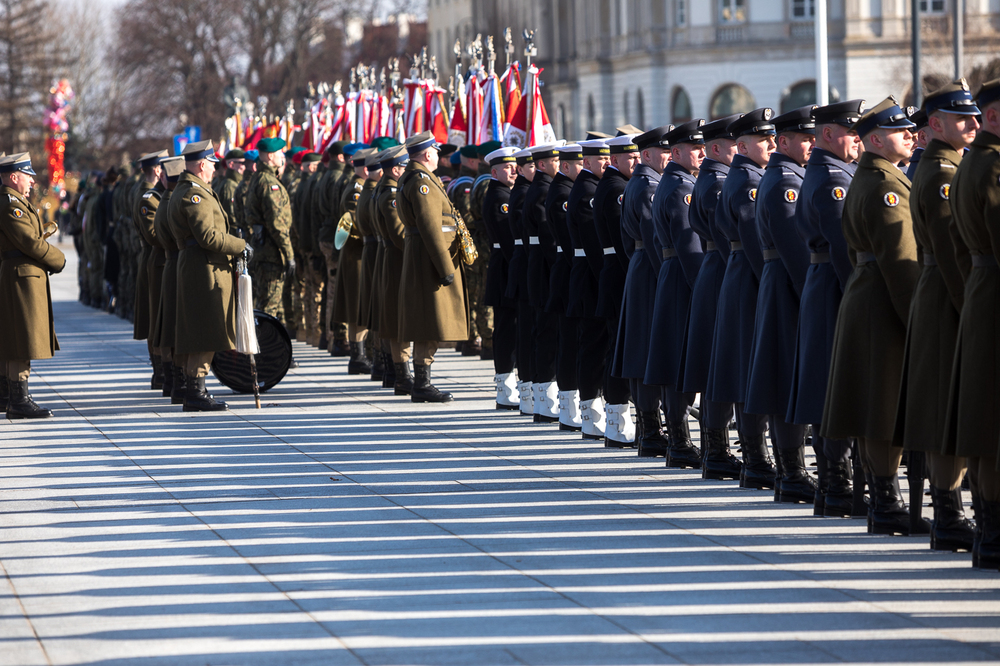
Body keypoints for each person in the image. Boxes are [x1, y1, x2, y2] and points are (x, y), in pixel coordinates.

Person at [821, 97, 919, 536]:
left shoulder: (876, 175)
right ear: (875, 140)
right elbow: (900, 259)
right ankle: (885, 502)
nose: (910, 135)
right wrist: (917, 319)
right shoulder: (884, 184)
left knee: (877, 401)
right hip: (883, 299)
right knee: (882, 405)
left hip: (870, 294)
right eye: (900, 131)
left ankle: (883, 498)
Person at [896, 79, 980, 552]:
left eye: (974, 117)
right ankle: (948, 515)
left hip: (942, 293)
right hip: (947, 298)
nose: (972, 124)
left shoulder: (946, 165)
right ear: (937, 124)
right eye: (961, 118)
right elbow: (951, 253)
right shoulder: (942, 172)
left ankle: (951, 512)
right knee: (947, 410)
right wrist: (970, 307)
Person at [785, 99, 865, 517]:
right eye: (852, 133)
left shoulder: (827, 171)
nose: (858, 140)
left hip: (826, 284)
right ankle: (837, 483)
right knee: (835, 383)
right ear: (829, 134)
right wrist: (860, 295)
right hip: (835, 287)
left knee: (829, 381)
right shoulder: (832, 177)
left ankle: (835, 484)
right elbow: (844, 247)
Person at [744, 106, 817, 503]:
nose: (811, 144)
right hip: (788, 286)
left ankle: (791, 470)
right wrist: (811, 294)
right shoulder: (785, 180)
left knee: (786, 377)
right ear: (785, 142)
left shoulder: (785, 175)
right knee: (786, 378)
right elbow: (795, 248)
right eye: (805, 138)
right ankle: (792, 472)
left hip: (782, 282)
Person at [945, 77, 1000, 569]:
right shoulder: (993, 166)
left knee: (984, 420)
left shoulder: (968, 164)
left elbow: (961, 251)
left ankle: (987, 530)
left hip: (982, 291)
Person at [707, 108, 777, 489]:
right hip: (750, 279)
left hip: (740, 275)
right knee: (751, 371)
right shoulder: (748, 180)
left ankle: (755, 458)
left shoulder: (742, 176)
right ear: (744, 146)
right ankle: (756, 459)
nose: (772, 144)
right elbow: (754, 243)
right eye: (764, 140)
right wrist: (771, 283)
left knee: (745, 368)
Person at [680, 114, 742, 476]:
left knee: (720, 365)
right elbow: (727, 236)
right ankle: (716, 450)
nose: (739, 149)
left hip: (715, 269)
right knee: (724, 365)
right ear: (717, 148)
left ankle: (715, 449)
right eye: (734, 144)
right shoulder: (717, 181)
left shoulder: (710, 178)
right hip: (721, 270)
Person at [168, 140, 248, 412]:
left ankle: (193, 389)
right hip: (204, 269)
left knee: (199, 329)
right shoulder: (194, 194)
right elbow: (208, 236)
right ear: (202, 165)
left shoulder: (190, 190)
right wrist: (240, 245)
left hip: (201, 266)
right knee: (205, 329)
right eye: (212, 164)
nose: (215, 169)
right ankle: (196, 391)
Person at [646, 120, 707, 470]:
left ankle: (679, 441)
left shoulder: (672, 181)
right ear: (677, 152)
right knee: (680, 362)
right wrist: (702, 289)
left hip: (673, 274)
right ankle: (681, 442)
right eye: (694, 148)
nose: (701, 153)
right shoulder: (681, 187)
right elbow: (689, 244)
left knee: (675, 360)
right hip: (684, 278)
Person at [395, 131, 470, 403]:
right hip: (428, 259)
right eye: (436, 151)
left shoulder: (420, 178)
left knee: (429, 321)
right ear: (428, 154)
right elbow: (430, 227)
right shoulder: (421, 181)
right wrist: (445, 266)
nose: (438, 155)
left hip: (424, 257)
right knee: (429, 321)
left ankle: (422, 382)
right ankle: (422, 384)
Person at [614, 125, 673, 458]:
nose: (669, 156)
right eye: (664, 151)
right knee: (648, 350)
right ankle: (651, 431)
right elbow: (654, 240)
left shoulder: (637, 182)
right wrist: (664, 274)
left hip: (639, 266)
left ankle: (648, 428)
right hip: (651, 270)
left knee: (640, 349)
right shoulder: (649, 185)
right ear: (647, 154)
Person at [0, 152, 66, 419]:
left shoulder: (15, 201)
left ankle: (9, 396)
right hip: (20, 278)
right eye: (27, 176)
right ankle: (19, 401)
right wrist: (58, 259)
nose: (31, 181)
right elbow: (29, 242)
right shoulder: (9, 204)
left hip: (22, 276)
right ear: (13, 177)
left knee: (17, 336)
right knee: (20, 339)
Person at [594, 133, 640, 447]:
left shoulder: (615, 184)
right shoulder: (616, 189)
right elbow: (624, 243)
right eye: (630, 158)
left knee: (616, 348)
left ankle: (617, 421)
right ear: (614, 160)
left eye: (638, 156)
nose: (636, 162)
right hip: (619, 276)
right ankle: (617, 423)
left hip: (614, 274)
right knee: (617, 350)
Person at [566, 138, 611, 439]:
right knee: (593, 346)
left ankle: (592, 411)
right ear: (587, 162)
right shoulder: (587, 191)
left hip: (590, 277)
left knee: (595, 345)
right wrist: (604, 276)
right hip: (590, 279)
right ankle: (590, 414)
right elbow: (594, 245)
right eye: (601, 159)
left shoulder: (591, 187)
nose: (606, 163)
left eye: (609, 158)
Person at [523, 142, 565, 421]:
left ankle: (543, 400)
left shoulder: (539, 187)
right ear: (541, 164)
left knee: (544, 332)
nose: (559, 164)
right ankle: (545, 401)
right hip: (545, 270)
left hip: (539, 267)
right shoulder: (543, 189)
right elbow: (548, 236)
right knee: (547, 334)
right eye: (555, 160)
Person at [547, 143, 583, 431]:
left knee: (572, 340)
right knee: (569, 342)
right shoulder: (562, 193)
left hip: (568, 271)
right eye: (581, 164)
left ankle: (571, 405)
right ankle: (568, 408)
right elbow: (569, 242)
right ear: (566, 166)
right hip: (568, 272)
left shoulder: (567, 188)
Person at [373, 145, 414, 395]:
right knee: (398, 318)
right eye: (404, 166)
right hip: (397, 259)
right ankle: (402, 375)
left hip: (390, 256)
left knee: (391, 316)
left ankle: (393, 372)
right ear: (396, 170)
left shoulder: (384, 189)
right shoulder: (390, 194)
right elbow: (399, 233)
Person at [482, 146, 520, 410]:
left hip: (505, 267)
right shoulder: (499, 197)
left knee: (510, 328)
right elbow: (508, 241)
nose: (513, 171)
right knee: (506, 329)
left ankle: (508, 386)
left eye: (515, 166)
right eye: (507, 167)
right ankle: (505, 388)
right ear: (494, 172)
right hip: (505, 269)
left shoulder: (505, 193)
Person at [332, 145, 373, 375]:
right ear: (365, 168)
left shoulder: (360, 186)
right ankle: (357, 356)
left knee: (361, 306)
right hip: (356, 254)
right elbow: (356, 222)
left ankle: (361, 355)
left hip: (359, 254)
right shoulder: (356, 189)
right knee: (357, 308)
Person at [131, 150, 168, 390]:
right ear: (157, 170)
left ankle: (161, 372)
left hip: (152, 257)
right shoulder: (147, 196)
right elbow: (154, 235)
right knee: (155, 317)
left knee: (155, 315)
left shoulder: (148, 192)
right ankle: (160, 372)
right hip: (153, 258)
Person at [152, 156, 187, 405]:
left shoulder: (165, 200)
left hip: (171, 265)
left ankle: (173, 382)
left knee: (170, 327)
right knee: (176, 328)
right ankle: (178, 382)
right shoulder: (171, 202)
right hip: (175, 265)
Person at [506, 148, 535, 416]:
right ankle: (527, 391)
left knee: (528, 331)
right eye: (532, 166)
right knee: (527, 332)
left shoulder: (523, 190)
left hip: (525, 266)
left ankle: (528, 391)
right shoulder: (525, 192)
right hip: (526, 267)